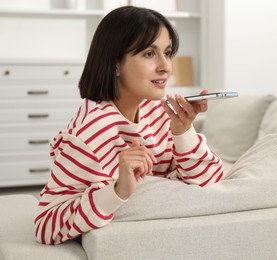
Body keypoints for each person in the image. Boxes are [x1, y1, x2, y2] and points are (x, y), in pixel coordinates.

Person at [34, 5, 223, 245]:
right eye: (149, 53)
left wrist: (183, 132)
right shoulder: (88, 135)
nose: (166, 66)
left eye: (168, 52)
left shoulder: (156, 110)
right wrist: (117, 191)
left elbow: (211, 183)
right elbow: (45, 225)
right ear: (115, 63)